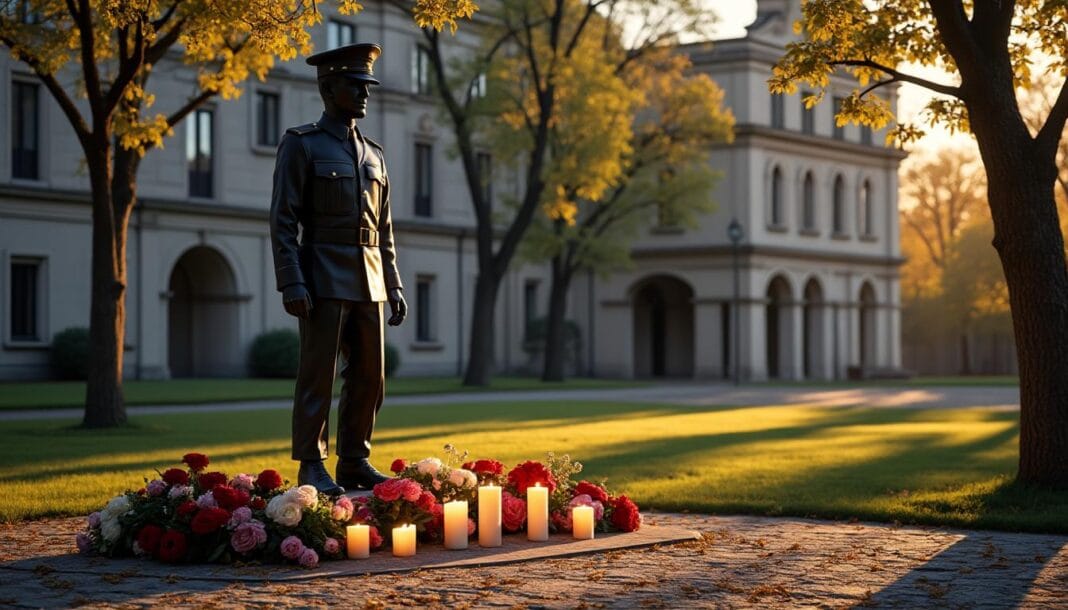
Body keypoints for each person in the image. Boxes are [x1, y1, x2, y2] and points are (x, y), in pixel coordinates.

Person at [269, 42, 405, 496]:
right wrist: (291, 279)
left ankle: (354, 460)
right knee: (318, 374)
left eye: (367, 86)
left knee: (370, 376)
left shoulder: (375, 154)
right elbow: (283, 220)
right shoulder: (301, 144)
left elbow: (384, 227)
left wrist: (394, 284)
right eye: (356, 85)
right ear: (329, 88)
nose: (365, 94)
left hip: (369, 276)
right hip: (322, 272)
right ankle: (311, 462)